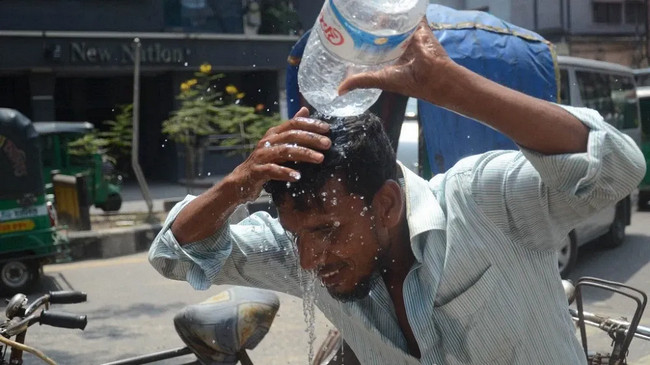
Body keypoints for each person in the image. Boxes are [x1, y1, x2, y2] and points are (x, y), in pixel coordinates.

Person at [148, 20, 646, 365]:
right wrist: (240, 182)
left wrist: (453, 87)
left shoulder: (483, 204)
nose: (306, 258)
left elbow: (618, 168)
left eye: (325, 230)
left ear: (386, 204)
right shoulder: (306, 255)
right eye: (296, 234)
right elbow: (174, 253)